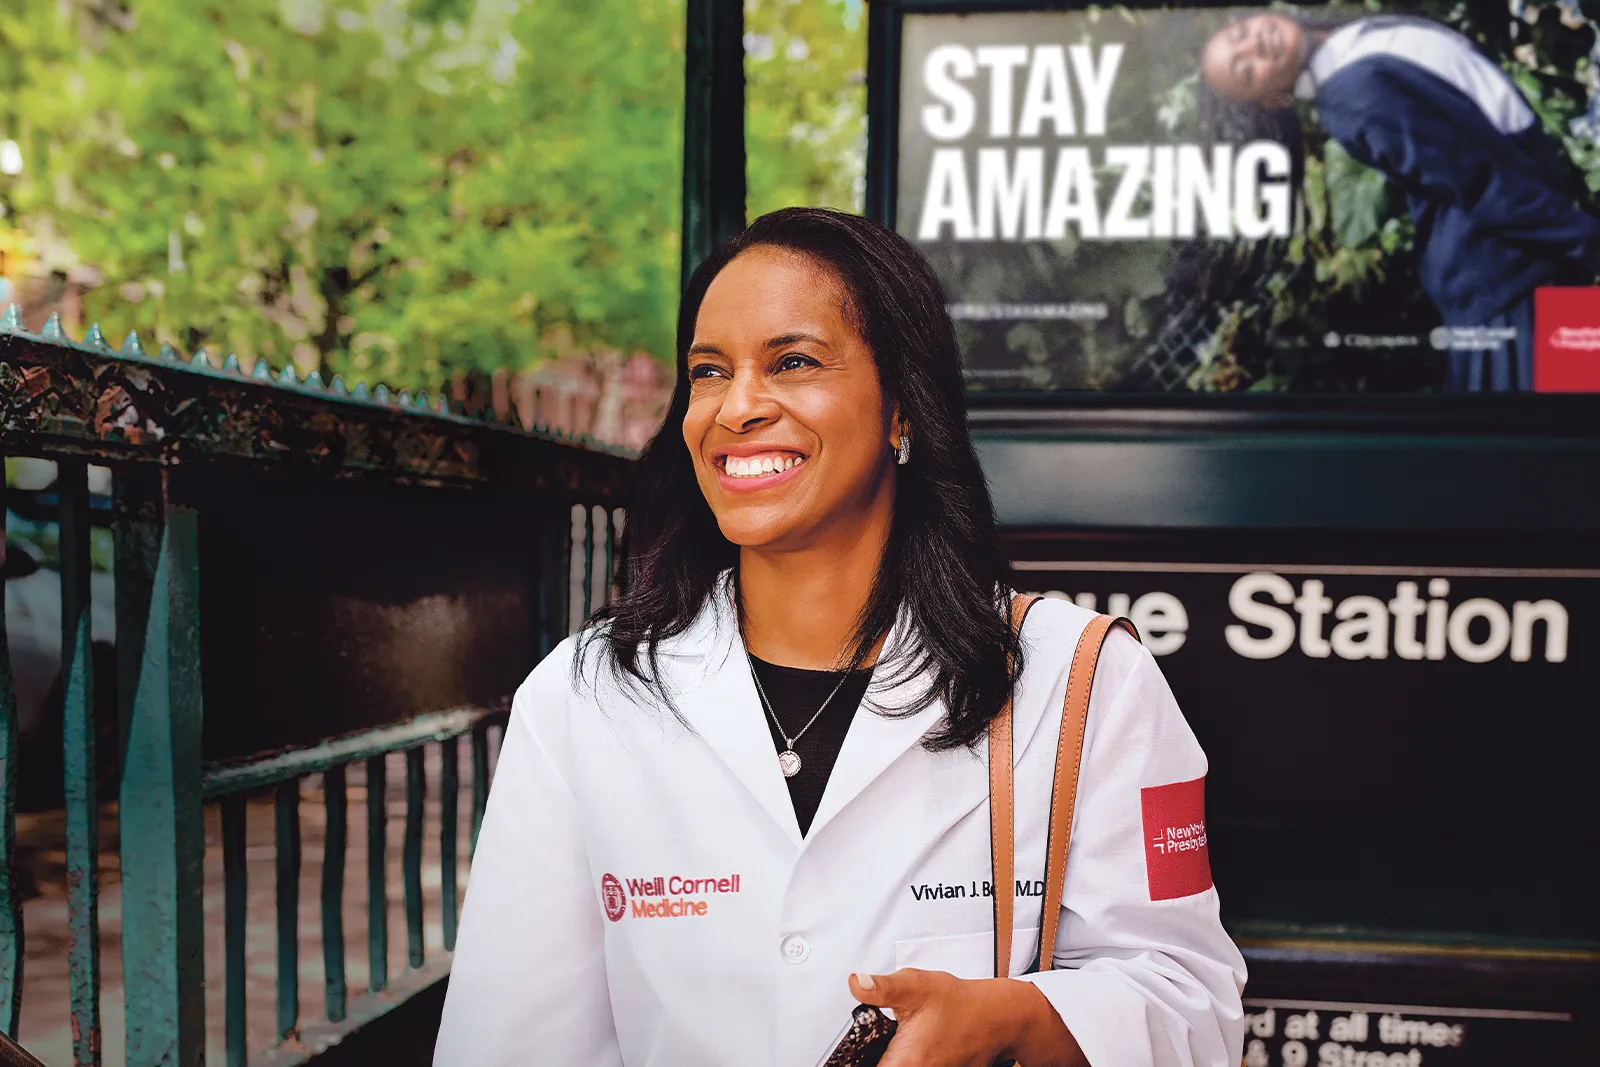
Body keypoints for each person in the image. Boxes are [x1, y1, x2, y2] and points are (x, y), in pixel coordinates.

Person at [433, 207, 1246, 1067]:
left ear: (902, 409)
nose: (737, 406)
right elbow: (510, 1042)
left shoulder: (1082, 680)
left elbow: (1192, 1002)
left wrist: (1012, 1017)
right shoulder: (584, 696)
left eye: (792, 361)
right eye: (709, 372)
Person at [1201, 11, 1600, 392]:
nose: (1256, 46)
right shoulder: (1353, 94)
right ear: (1274, 102)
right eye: (1247, 70)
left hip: (1533, 254)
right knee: (1559, 437)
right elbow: (1473, 179)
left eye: (1241, 35)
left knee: (1574, 424)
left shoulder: (1347, 46)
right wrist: (1583, 237)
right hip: (1512, 280)